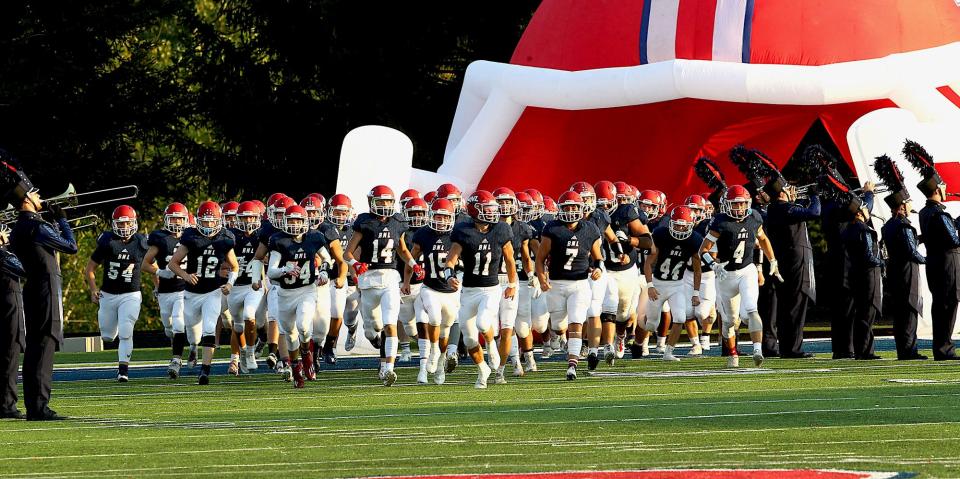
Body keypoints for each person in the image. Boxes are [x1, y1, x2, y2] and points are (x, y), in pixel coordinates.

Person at [6, 163, 78, 420]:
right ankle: (39, 406)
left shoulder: (17, 230)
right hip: (46, 289)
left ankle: (34, 404)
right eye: (35, 193)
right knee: (44, 346)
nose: (40, 197)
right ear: (26, 199)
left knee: (36, 346)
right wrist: (62, 219)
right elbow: (71, 247)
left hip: (32, 290)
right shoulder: (36, 226)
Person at [344, 185, 420, 386]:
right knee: (373, 329)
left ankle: (388, 368)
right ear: (371, 203)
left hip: (389, 278)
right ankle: (379, 345)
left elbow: (402, 250)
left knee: (389, 323)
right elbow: (347, 253)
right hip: (369, 279)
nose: (384, 205)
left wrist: (414, 265)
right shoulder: (365, 222)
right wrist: (355, 264)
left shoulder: (397, 222)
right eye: (380, 201)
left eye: (387, 201)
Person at [698, 185, 781, 368]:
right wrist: (713, 265)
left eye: (743, 203)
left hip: (746, 270)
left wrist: (772, 260)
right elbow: (702, 250)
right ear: (727, 205)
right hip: (726, 274)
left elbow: (763, 240)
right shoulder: (720, 222)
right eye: (735, 204)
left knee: (751, 310)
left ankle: (757, 350)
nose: (740, 208)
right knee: (729, 321)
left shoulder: (754, 217)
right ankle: (732, 352)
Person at [265, 205, 346, 388]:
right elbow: (271, 271)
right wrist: (285, 269)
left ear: (305, 222)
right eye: (291, 220)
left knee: (303, 325)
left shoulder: (314, 237)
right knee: (291, 334)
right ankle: (295, 367)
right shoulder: (279, 241)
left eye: (297, 220)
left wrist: (324, 272)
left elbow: (327, 259)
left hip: (307, 290)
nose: (294, 224)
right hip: (285, 294)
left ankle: (307, 356)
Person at [442, 190, 516, 388]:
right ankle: (482, 370)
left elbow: (509, 259)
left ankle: (492, 345)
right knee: (468, 337)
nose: (492, 213)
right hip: (469, 290)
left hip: (491, 288)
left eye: (493, 208)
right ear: (475, 210)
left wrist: (512, 284)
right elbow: (451, 259)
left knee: (484, 323)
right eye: (487, 209)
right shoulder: (463, 231)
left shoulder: (501, 229)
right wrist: (449, 276)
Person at [168, 201, 239, 384]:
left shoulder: (225, 238)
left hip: (213, 292)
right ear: (198, 221)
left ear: (218, 221)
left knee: (209, 328)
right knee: (193, 334)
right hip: (192, 293)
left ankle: (205, 370)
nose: (208, 225)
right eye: (204, 222)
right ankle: (192, 348)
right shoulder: (191, 236)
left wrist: (230, 284)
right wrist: (185, 275)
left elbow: (235, 267)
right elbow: (173, 263)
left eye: (211, 221)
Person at [535, 191, 603, 380]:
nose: (571, 211)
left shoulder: (590, 229)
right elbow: (540, 259)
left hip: (580, 284)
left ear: (582, 209)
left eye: (574, 207)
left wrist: (598, 269)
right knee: (558, 325)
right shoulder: (552, 228)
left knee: (576, 321)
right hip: (556, 284)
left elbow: (598, 258)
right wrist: (541, 279)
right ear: (560, 209)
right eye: (567, 207)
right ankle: (562, 337)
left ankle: (572, 364)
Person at [84, 205, 148, 382]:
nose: (125, 227)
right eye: (121, 224)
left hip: (131, 294)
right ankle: (120, 322)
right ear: (114, 224)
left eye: (128, 223)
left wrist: (160, 282)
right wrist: (93, 289)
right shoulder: (107, 242)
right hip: (109, 294)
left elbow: (151, 264)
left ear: (134, 223)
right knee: (107, 335)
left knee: (126, 330)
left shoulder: (142, 242)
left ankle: (123, 370)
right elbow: (90, 268)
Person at [404, 198, 459, 384]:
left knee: (445, 330)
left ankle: (441, 360)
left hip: (450, 292)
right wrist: (406, 281)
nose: (441, 221)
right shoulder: (423, 234)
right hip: (430, 288)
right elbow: (411, 260)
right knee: (433, 318)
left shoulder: (458, 235)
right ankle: (434, 352)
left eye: (445, 217)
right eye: (438, 216)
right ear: (431, 216)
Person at [764, 182, 820, 358]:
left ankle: (788, 347)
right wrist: (814, 195)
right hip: (795, 261)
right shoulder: (784, 208)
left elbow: (798, 213)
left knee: (786, 305)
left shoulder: (774, 209)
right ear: (782, 192)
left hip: (785, 261)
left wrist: (795, 201)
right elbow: (814, 212)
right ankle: (792, 348)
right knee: (796, 303)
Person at [640, 206, 703, 361]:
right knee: (651, 325)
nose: (680, 228)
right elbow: (648, 264)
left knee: (680, 318)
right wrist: (650, 286)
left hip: (677, 285)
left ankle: (668, 352)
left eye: (684, 225)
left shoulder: (694, 239)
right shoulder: (661, 235)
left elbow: (697, 269)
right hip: (658, 284)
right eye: (677, 225)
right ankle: (639, 320)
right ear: (671, 223)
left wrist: (696, 293)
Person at [141, 202, 190, 378]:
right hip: (165, 291)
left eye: (179, 219)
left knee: (178, 322)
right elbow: (145, 263)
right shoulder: (160, 238)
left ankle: (176, 360)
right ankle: (184, 347)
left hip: (184, 289)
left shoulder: (191, 237)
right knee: (169, 327)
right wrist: (160, 272)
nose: (176, 222)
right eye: (173, 218)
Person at [917, 169, 960, 361]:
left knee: (940, 305)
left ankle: (941, 347)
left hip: (935, 263)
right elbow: (954, 240)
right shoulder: (939, 213)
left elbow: (949, 227)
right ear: (936, 189)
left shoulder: (926, 211)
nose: (945, 188)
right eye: (942, 185)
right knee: (948, 304)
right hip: (947, 264)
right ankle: (945, 349)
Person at [880, 188, 926, 360]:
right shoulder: (904, 225)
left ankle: (903, 349)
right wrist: (927, 259)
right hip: (907, 272)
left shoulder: (888, 226)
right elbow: (910, 250)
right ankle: (909, 351)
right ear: (902, 206)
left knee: (900, 313)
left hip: (895, 271)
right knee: (909, 310)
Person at [841, 195, 883, 360]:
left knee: (861, 313)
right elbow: (869, 255)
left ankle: (862, 349)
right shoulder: (863, 229)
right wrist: (883, 261)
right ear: (859, 212)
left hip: (856, 274)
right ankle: (865, 350)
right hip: (868, 275)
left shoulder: (848, 229)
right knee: (867, 313)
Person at [226, 201, 265, 375]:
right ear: (237, 219)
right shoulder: (230, 236)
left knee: (250, 316)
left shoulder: (262, 236)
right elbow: (221, 264)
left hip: (253, 286)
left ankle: (249, 352)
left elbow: (270, 258)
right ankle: (240, 353)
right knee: (238, 326)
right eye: (244, 217)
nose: (248, 220)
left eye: (251, 217)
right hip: (234, 287)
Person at [0, 223, 26, 419]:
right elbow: (23, 269)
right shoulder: (3, 255)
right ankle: (7, 404)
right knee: (10, 355)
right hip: (8, 306)